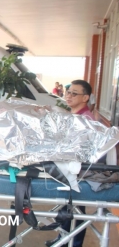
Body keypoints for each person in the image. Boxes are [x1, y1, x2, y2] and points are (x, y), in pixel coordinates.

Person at [45, 79, 95, 247]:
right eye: (68, 92)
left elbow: (79, 150)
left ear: (85, 98)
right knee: (68, 209)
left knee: (76, 211)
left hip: (79, 174)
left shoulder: (85, 120)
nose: (69, 96)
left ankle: (73, 242)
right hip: (70, 171)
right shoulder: (74, 116)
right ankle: (63, 239)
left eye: (75, 93)